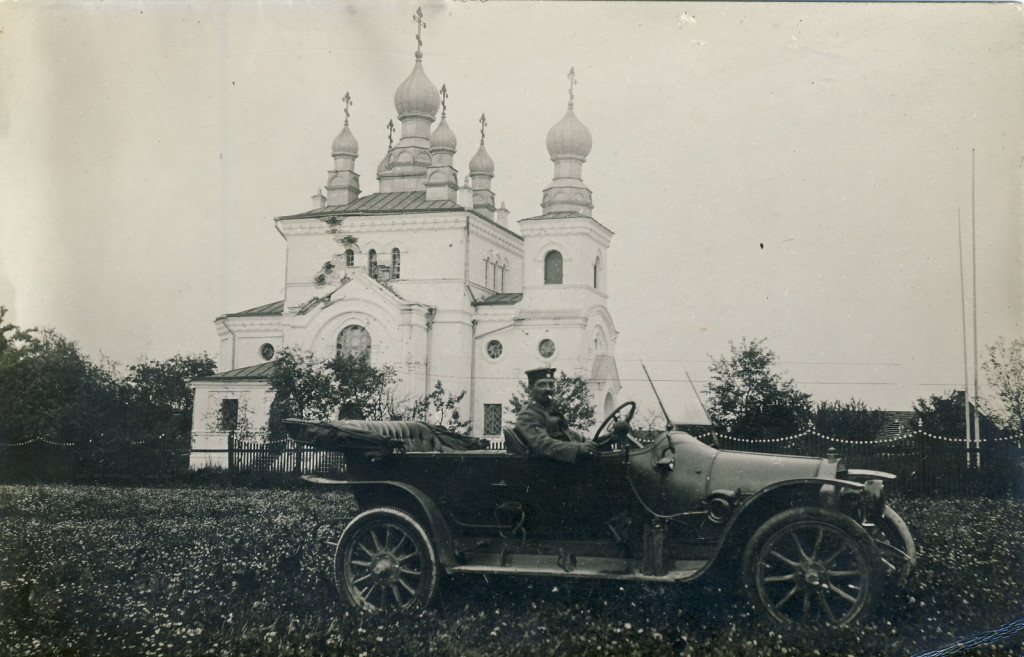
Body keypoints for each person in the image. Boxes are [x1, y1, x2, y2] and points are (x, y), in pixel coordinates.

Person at [512, 368, 600, 463]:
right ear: (530, 388)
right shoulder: (528, 415)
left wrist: (585, 440)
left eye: (551, 384)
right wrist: (578, 448)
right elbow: (543, 444)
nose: (548, 389)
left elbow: (566, 431)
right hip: (550, 468)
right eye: (541, 385)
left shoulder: (549, 411)